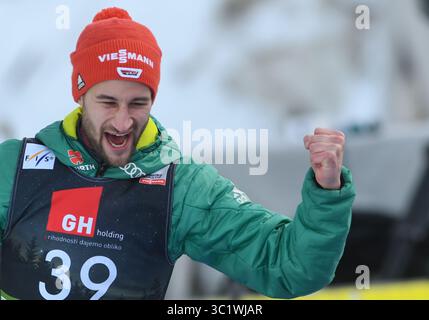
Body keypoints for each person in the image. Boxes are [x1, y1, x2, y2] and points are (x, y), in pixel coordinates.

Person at [0, 7, 355, 300]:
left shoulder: (182, 186)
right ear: (80, 96)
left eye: (138, 103)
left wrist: (326, 194)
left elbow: (289, 268)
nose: (123, 122)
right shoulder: (15, 167)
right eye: (108, 102)